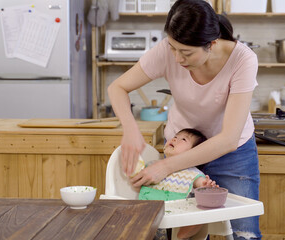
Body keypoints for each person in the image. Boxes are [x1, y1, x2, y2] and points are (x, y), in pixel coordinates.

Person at [108, 0, 261, 238]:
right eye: (172, 48)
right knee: (185, 233)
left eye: (187, 53)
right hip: (182, 147)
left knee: (244, 232)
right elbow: (117, 87)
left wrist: (165, 167)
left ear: (211, 44)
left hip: (232, 154)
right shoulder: (170, 50)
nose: (177, 59)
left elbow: (229, 139)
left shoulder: (243, 60)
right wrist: (130, 130)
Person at [137, 128, 217, 239]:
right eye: (175, 136)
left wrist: (205, 185)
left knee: (199, 208)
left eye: (183, 139)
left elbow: (200, 183)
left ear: (194, 153)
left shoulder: (191, 172)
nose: (174, 139)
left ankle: (189, 228)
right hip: (148, 213)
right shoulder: (154, 165)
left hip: (178, 216)